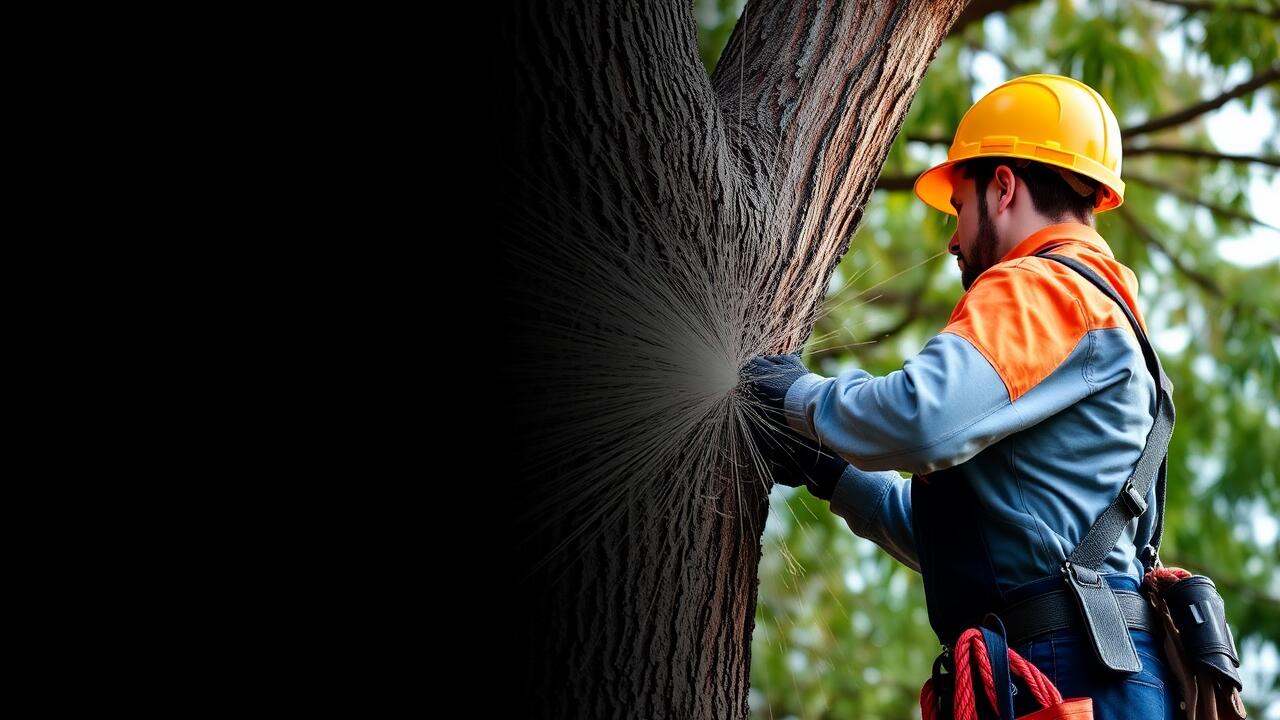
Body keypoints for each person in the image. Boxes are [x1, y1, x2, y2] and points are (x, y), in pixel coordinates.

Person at [743, 74, 1181, 719]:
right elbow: (973, 545)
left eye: (959, 207)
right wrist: (828, 471)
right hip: (1086, 665)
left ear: (1002, 187)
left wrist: (796, 395)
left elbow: (918, 420)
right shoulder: (1097, 307)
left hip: (1070, 666)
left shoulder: (1043, 287)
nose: (953, 239)